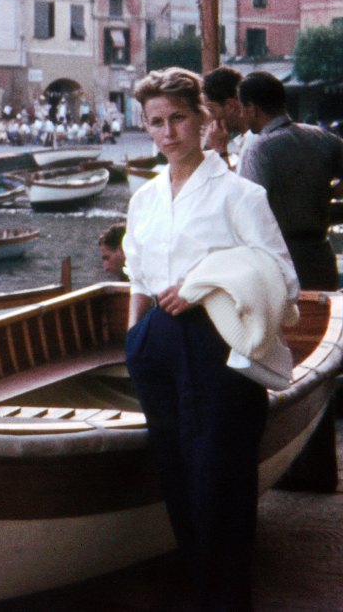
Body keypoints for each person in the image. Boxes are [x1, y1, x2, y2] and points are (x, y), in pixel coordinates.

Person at [122, 68, 298, 610]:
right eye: (156, 121)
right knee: (176, 476)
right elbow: (136, 276)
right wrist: (134, 340)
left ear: (203, 118)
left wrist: (203, 285)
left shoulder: (240, 195)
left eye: (178, 118)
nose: (167, 132)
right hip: (156, 346)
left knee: (219, 478)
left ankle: (227, 600)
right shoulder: (145, 198)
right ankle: (202, 591)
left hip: (217, 343)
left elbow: (282, 276)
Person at [237, 71, 343, 291]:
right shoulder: (323, 137)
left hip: (280, 262)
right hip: (321, 256)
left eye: (242, 109)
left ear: (252, 108)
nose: (242, 115)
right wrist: (329, 193)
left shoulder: (259, 150)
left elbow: (247, 214)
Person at [202, 65, 250, 165]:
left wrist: (220, 150)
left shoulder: (253, 143)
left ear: (230, 106)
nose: (208, 118)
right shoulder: (244, 140)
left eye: (210, 110)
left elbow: (235, 177)